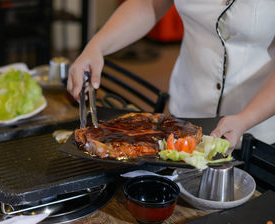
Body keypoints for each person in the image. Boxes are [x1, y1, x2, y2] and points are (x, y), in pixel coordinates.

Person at [66, 0, 275, 151]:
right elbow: (150, 4)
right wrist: (96, 46)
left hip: (254, 131)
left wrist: (246, 118)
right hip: (184, 117)